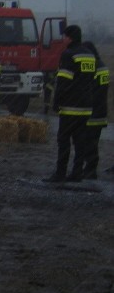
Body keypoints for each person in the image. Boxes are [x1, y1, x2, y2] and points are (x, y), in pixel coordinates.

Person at [44, 25, 95, 183]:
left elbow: (63, 81)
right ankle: (77, 172)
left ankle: (60, 173)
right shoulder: (90, 55)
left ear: (70, 37)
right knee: (80, 141)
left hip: (70, 106)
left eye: (65, 36)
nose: (63, 39)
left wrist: (56, 102)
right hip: (86, 106)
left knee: (63, 139)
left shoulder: (68, 54)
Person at [83, 42, 109, 179]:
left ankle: (90, 170)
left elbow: (88, 89)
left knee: (89, 142)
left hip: (91, 111)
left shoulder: (93, 67)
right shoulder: (103, 66)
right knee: (94, 142)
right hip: (101, 110)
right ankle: (90, 168)